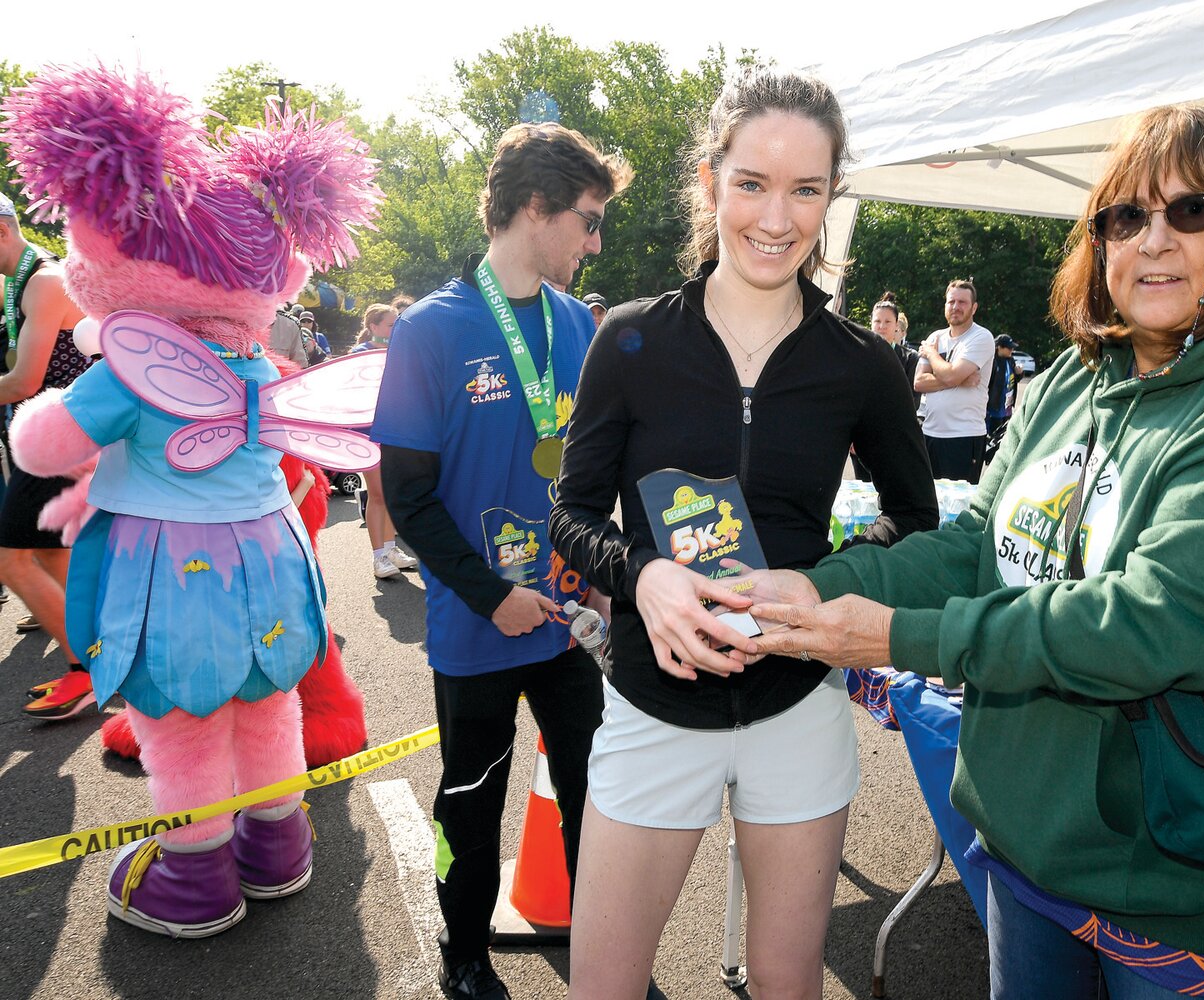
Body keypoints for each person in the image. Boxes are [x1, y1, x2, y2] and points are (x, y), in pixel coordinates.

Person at [747, 105, 1204, 999]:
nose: (1154, 239)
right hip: (1028, 848)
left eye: (1195, 210)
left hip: (1196, 886)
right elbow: (979, 545)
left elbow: (1158, 622)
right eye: (1126, 216)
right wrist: (812, 589)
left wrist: (897, 637)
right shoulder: (1084, 373)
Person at [549, 68, 937, 1000]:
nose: (777, 217)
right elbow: (570, 513)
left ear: (830, 199)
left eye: (806, 189)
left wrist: (828, 580)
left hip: (799, 711)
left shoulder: (864, 365)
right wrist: (640, 575)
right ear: (709, 182)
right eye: (752, 183)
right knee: (602, 985)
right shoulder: (632, 340)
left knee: (786, 983)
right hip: (650, 708)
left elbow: (917, 522)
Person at [373, 122, 632, 1000]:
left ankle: (605, 957)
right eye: (587, 221)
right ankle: (466, 957)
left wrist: (602, 572)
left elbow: (588, 476)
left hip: (566, 626)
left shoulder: (576, 322)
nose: (595, 242)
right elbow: (407, 496)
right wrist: (490, 596)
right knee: (471, 802)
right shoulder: (430, 330)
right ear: (534, 207)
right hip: (478, 623)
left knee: (596, 797)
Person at [0, 193, 94, 719]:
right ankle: (101, 659)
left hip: (58, 436)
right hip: (50, 435)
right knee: (53, 557)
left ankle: (87, 672)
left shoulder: (43, 281)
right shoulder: (20, 282)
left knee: (10, 561)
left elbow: (23, 382)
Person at [351, 304, 415, 579]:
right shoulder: (358, 356)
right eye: (390, 324)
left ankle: (390, 549)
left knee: (390, 494)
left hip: (396, 430)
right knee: (377, 494)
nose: (395, 328)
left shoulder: (399, 351)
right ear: (374, 326)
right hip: (369, 433)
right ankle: (378, 557)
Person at [915, 278, 992, 482]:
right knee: (927, 505)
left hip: (964, 437)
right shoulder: (935, 337)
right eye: (951, 302)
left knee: (956, 509)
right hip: (930, 434)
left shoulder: (981, 338)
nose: (956, 307)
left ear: (974, 308)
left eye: (962, 302)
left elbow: (949, 375)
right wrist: (958, 380)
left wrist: (932, 355)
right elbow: (919, 382)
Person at [852, 291, 919, 480]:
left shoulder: (909, 359)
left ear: (897, 325)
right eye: (877, 321)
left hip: (895, 439)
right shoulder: (857, 355)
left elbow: (911, 401)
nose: (881, 327)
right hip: (861, 440)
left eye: (887, 322)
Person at [983, 333, 1020, 462]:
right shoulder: (992, 361)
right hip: (994, 406)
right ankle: (988, 457)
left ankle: (996, 458)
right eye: (1009, 348)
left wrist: (1020, 373)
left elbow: (1013, 380)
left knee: (1003, 434)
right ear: (999, 347)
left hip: (1007, 405)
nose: (1012, 351)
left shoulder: (1010, 360)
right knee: (991, 434)